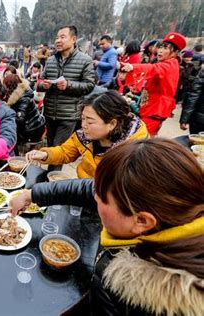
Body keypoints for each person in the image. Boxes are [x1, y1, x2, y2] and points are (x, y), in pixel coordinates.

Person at [10, 138, 204, 315]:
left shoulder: (154, 301)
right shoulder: (161, 210)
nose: (94, 197)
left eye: (101, 198)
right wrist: (31, 194)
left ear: (142, 221)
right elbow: (89, 189)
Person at [25, 91, 148, 178]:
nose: (83, 125)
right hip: (84, 188)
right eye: (82, 118)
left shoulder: (132, 152)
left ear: (112, 123)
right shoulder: (85, 136)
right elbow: (65, 151)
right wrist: (45, 154)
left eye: (90, 121)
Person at [38, 25, 95, 170]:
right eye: (57, 37)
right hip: (50, 113)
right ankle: (50, 180)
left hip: (69, 114)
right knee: (51, 147)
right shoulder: (50, 60)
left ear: (74, 39)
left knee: (59, 150)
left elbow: (89, 85)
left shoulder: (85, 60)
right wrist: (42, 85)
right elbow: (41, 81)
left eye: (62, 37)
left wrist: (68, 85)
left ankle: (51, 184)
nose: (58, 40)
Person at [121, 32, 186, 136]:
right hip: (151, 107)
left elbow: (153, 69)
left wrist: (133, 67)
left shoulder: (170, 64)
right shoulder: (166, 63)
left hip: (155, 109)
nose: (160, 50)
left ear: (176, 52)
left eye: (166, 48)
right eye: (161, 47)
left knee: (142, 139)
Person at [2, 74, 45, 147]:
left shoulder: (24, 98)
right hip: (32, 124)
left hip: (32, 128)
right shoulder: (18, 94)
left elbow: (20, 119)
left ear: (10, 86)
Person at [180, 68, 204, 134]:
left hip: (199, 120)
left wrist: (185, 119)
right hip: (200, 119)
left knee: (197, 142)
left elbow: (193, 96)